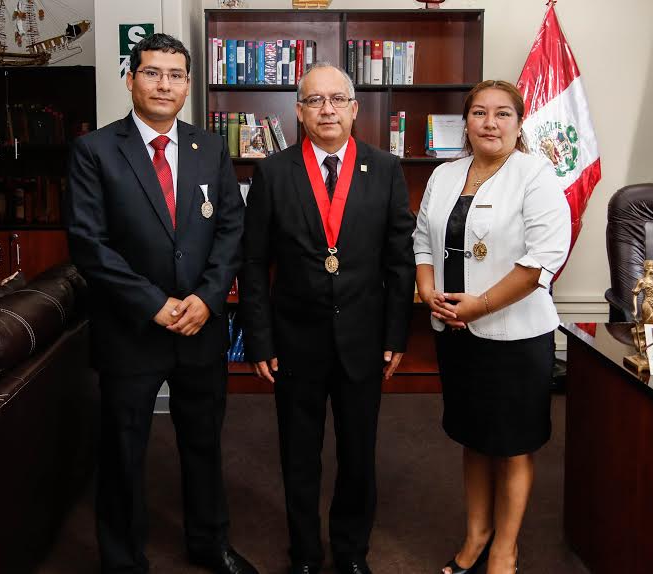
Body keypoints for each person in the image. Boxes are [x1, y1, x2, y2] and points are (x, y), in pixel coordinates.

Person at [65, 33, 257, 574]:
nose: (164, 84)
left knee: (204, 443)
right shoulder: (94, 151)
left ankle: (209, 542)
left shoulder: (211, 148)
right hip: (131, 329)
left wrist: (207, 297)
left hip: (201, 325)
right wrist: (154, 304)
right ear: (130, 79)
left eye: (175, 75)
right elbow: (88, 243)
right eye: (152, 73)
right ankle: (124, 560)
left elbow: (230, 230)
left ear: (188, 84)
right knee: (124, 451)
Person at [239, 62, 415, 574]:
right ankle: (305, 554)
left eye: (337, 99)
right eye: (315, 100)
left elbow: (399, 260)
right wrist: (260, 340)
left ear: (355, 109)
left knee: (358, 453)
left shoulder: (384, 169)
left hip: (364, 338)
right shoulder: (273, 172)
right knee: (299, 455)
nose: (327, 109)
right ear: (299, 111)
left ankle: (351, 551)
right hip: (295, 340)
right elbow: (253, 264)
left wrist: (395, 333)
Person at [413, 80, 570, 574]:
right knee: (473, 437)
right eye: (479, 113)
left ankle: (505, 548)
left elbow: (542, 259)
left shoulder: (536, 174)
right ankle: (476, 534)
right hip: (456, 334)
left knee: (513, 443)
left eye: (503, 114)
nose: (489, 122)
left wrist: (477, 306)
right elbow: (421, 240)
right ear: (466, 122)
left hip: (514, 337)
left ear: (519, 123)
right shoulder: (444, 174)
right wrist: (427, 292)